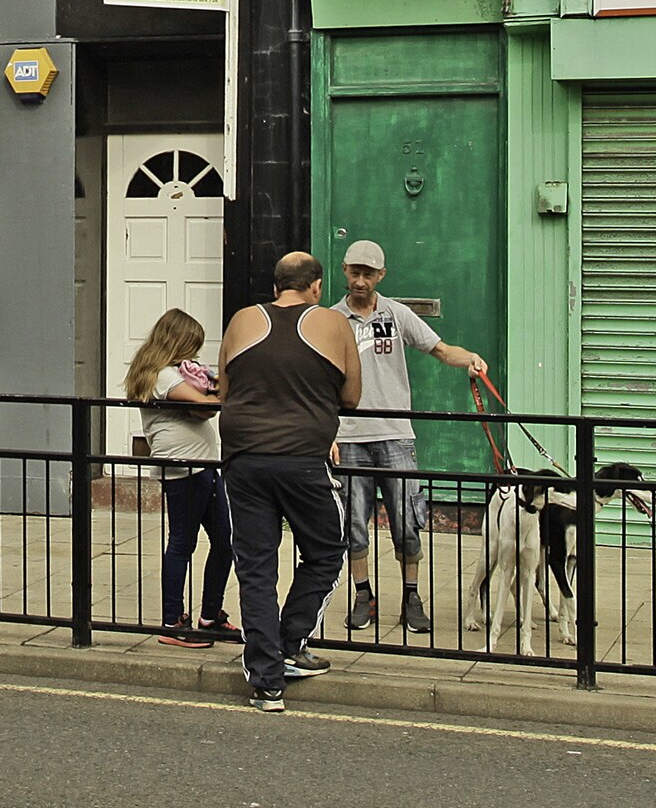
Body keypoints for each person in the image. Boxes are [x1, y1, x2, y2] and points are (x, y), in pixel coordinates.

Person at [215, 251, 361, 712]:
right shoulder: (332, 323)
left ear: (276, 285)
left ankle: (266, 682)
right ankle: (289, 643)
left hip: (244, 458)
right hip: (302, 457)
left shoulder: (242, 319)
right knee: (327, 550)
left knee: (256, 567)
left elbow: (224, 390)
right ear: (315, 287)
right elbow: (352, 396)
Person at [331, 239, 488, 636]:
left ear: (381, 275)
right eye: (355, 272)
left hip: (395, 434)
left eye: (369, 273)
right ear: (345, 271)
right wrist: (326, 432)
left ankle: (411, 596)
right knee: (354, 523)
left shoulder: (396, 314)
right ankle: (363, 595)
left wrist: (469, 359)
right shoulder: (331, 319)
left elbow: (439, 349)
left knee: (406, 522)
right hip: (349, 436)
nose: (361, 280)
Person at [123, 308, 238, 648]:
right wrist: (223, 390)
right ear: (177, 342)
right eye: (192, 347)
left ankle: (210, 615)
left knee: (225, 540)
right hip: (184, 467)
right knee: (182, 544)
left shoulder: (173, 373)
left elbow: (200, 405)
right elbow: (204, 404)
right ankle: (172, 621)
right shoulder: (162, 376)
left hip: (202, 464)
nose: (194, 355)